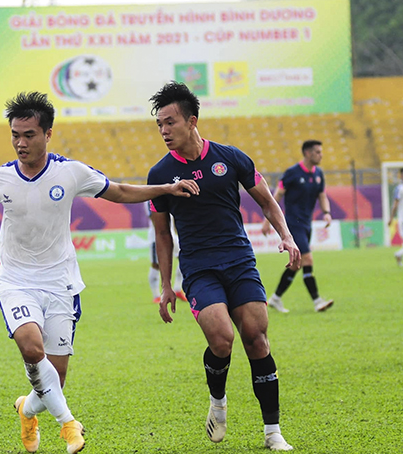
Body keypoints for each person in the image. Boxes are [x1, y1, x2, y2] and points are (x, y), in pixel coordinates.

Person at [0, 92, 199, 454]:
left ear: (48, 134)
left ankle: (27, 408)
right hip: (16, 281)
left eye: (29, 134)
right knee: (32, 349)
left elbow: (121, 191)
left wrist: (167, 188)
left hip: (61, 282)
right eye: (15, 134)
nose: (20, 142)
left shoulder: (71, 172)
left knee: (55, 379)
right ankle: (69, 425)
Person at [146, 82, 301, 451]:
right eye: (159, 125)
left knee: (257, 339)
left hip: (240, 261)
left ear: (192, 120)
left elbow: (267, 202)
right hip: (199, 269)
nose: (165, 131)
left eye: (170, 122)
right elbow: (162, 236)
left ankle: (272, 433)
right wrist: (167, 285)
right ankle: (218, 403)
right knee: (222, 339)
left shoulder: (231, 158)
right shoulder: (160, 174)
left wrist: (287, 236)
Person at [261, 140, 334, 313]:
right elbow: (276, 196)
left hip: (307, 224)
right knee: (307, 259)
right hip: (293, 224)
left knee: (296, 264)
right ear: (307, 153)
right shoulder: (292, 173)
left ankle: (275, 298)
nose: (321, 155)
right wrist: (267, 220)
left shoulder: (319, 174)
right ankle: (317, 301)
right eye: (317, 152)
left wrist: (327, 212)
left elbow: (322, 195)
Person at [147, 202, 187, 303]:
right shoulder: (150, 198)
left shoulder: (168, 192)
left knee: (185, 258)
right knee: (156, 265)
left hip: (172, 236)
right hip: (157, 238)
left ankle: (177, 288)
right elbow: (154, 217)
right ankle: (156, 295)